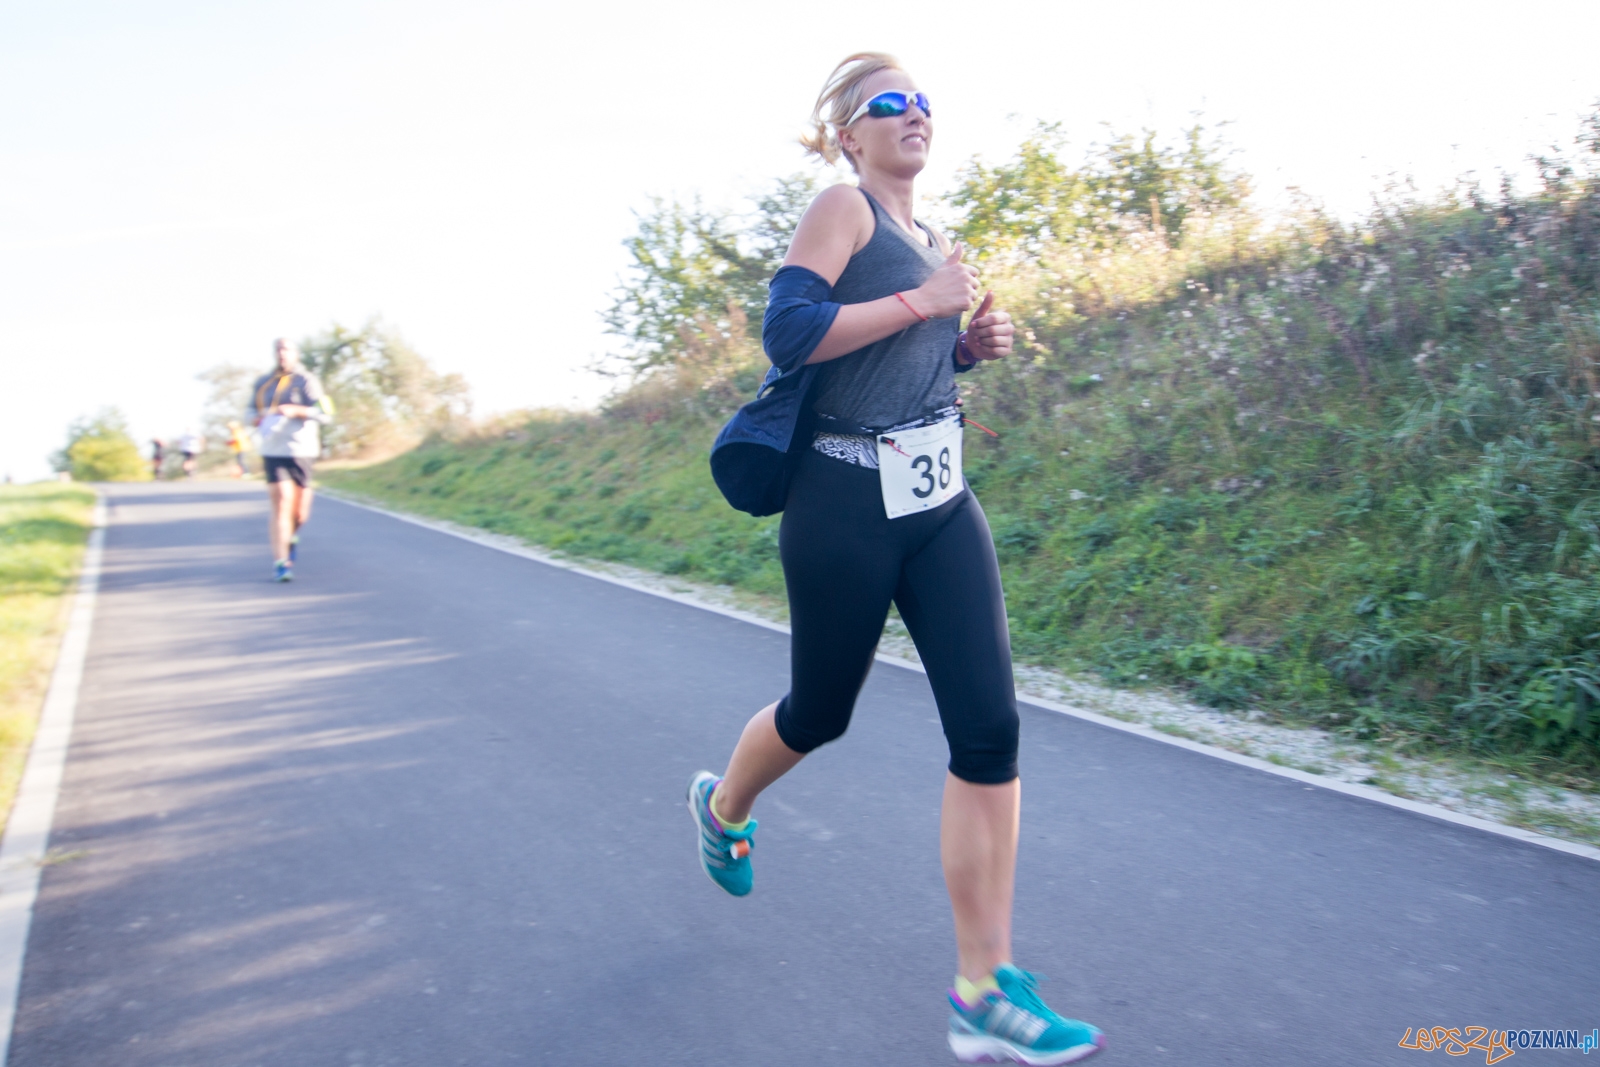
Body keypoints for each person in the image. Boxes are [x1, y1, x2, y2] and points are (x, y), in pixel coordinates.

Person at [689, 54, 1104, 1066]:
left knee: (989, 727)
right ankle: (724, 803)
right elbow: (788, 331)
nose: (912, 114)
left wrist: (966, 347)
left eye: (923, 101)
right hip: (841, 503)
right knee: (818, 713)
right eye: (889, 103)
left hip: (937, 498)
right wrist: (928, 305)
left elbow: (896, 358)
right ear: (849, 133)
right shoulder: (843, 208)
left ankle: (983, 989)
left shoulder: (931, 239)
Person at [249, 339, 333, 582]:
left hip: (302, 450)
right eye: (278, 349)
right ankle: (281, 563)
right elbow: (248, 413)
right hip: (273, 451)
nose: (282, 354)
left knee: (299, 514)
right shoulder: (263, 383)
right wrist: (258, 418)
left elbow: (326, 413)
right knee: (281, 502)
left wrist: (298, 411)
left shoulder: (306, 381)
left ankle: (291, 537)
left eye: (286, 349)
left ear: (295, 353)